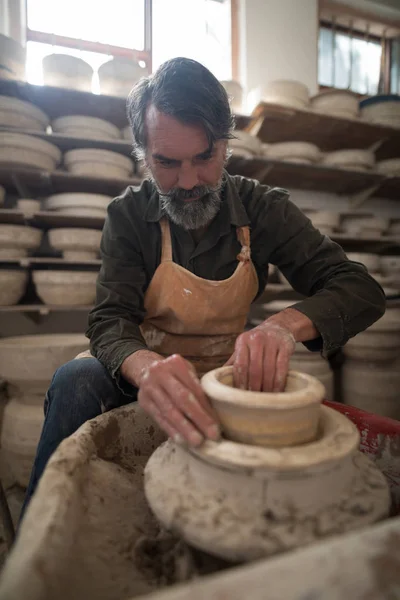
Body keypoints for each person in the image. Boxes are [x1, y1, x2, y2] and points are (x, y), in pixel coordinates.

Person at [22, 57, 385, 510]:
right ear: (144, 154)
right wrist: (146, 367)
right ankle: (42, 535)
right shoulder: (129, 215)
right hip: (147, 374)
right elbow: (110, 319)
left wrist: (284, 326)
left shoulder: (263, 208)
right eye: (167, 163)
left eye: (205, 157)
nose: (189, 181)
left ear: (226, 145)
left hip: (227, 372)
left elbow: (359, 287)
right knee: (76, 379)